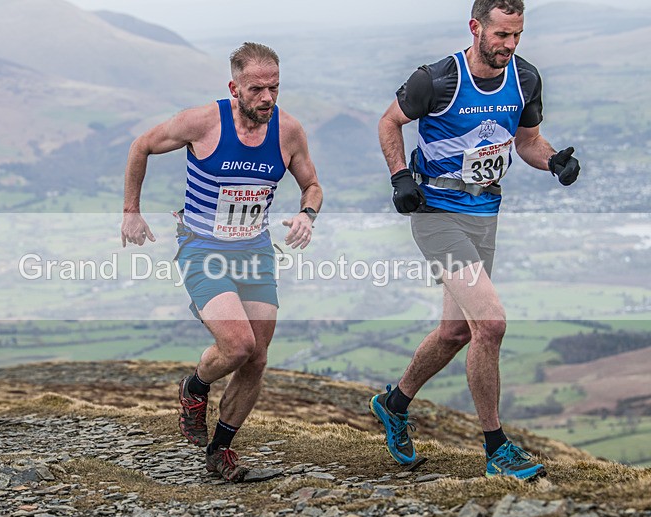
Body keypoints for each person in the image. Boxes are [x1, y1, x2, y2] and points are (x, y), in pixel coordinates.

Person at [371, 0, 580, 480]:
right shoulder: (436, 79)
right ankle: (496, 448)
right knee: (490, 323)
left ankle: (393, 404)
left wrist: (553, 162)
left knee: (456, 331)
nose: (509, 45)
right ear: (476, 28)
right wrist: (400, 176)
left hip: (485, 213)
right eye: (501, 35)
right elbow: (389, 122)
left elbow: (527, 141)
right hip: (436, 214)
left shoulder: (525, 78)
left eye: (517, 35)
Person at [121, 42, 323, 482]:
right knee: (237, 345)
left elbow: (311, 184)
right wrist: (130, 211)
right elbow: (141, 146)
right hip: (203, 248)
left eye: (274, 88)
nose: (267, 98)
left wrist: (307, 215)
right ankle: (195, 387)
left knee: (257, 359)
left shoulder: (288, 131)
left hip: (255, 252)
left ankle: (220, 450)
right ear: (234, 88)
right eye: (256, 89)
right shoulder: (202, 122)